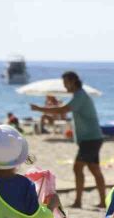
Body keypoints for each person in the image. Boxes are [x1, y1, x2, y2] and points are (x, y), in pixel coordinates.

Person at [31, 71, 106, 208]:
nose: (65, 86)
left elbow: (62, 110)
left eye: (66, 82)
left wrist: (39, 108)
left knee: (78, 168)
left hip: (90, 139)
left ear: (72, 81)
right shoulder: (79, 95)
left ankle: (79, 201)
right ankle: (101, 201)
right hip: (92, 138)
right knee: (94, 169)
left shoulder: (80, 95)